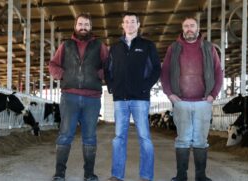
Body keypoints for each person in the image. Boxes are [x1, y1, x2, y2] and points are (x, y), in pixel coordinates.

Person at [161, 17, 223, 181]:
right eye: (186, 26)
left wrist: (213, 95)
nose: (189, 29)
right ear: (182, 28)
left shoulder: (208, 47)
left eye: (192, 26)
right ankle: (181, 175)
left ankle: (200, 176)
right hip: (181, 102)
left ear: (198, 28)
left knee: (201, 140)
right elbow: (165, 71)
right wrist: (170, 94)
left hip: (203, 101)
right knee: (182, 139)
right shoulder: (173, 48)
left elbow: (218, 72)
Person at [49, 13, 108, 181]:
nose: (83, 27)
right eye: (80, 24)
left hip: (92, 98)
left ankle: (89, 174)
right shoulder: (66, 45)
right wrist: (63, 75)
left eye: (86, 24)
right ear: (75, 26)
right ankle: (60, 173)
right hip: (69, 97)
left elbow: (109, 65)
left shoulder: (99, 45)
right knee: (65, 134)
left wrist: (100, 74)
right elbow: (53, 64)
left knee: (89, 136)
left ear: (91, 27)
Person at [104, 12, 161, 181]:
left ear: (138, 24)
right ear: (122, 25)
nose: (129, 24)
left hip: (140, 99)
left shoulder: (147, 45)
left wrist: (145, 87)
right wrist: (112, 87)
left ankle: (146, 176)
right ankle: (117, 175)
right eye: (126, 22)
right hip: (120, 99)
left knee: (144, 137)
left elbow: (156, 69)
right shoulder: (115, 47)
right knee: (118, 138)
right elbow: (107, 70)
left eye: (132, 22)